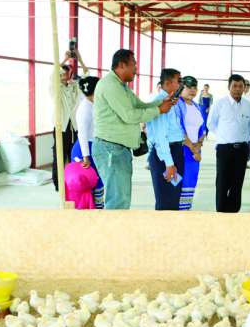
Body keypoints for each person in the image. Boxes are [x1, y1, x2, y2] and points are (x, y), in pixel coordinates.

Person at [93, 49, 173, 209]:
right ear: (122, 65)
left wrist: (161, 103)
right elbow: (129, 115)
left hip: (118, 149)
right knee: (118, 201)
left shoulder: (121, 86)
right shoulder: (111, 86)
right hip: (111, 149)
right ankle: (114, 226)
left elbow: (139, 105)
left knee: (121, 198)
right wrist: (159, 110)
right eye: (133, 64)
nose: (136, 69)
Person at [208, 74, 250, 212]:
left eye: (241, 86)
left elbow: (249, 127)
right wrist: (223, 135)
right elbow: (210, 124)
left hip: (241, 150)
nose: (238, 89)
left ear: (244, 88)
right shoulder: (220, 103)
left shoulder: (248, 106)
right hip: (224, 149)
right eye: (234, 86)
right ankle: (221, 211)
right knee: (222, 182)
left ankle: (234, 212)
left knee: (237, 183)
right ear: (229, 87)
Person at [146, 68, 185, 211]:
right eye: (178, 81)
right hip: (165, 155)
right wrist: (169, 164)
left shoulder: (171, 100)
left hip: (174, 151)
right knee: (165, 200)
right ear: (168, 83)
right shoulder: (161, 102)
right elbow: (160, 136)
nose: (181, 84)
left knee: (173, 197)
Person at [70, 76, 103, 208]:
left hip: (93, 147)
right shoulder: (85, 108)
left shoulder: (93, 104)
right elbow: (82, 134)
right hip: (84, 150)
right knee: (89, 183)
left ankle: (97, 208)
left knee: (98, 181)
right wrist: (86, 157)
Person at [175, 76, 206, 211]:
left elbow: (202, 129)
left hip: (194, 152)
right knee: (177, 183)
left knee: (190, 181)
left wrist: (198, 146)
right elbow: (178, 129)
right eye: (189, 87)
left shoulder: (196, 106)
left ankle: (185, 212)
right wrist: (193, 149)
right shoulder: (176, 104)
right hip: (181, 150)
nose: (192, 90)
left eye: (195, 87)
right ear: (181, 87)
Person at [51, 63, 81, 192]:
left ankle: (73, 181)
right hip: (61, 127)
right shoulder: (55, 89)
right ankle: (58, 184)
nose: (64, 75)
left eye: (66, 73)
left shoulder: (73, 87)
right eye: (62, 73)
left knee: (74, 155)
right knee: (59, 155)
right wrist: (62, 61)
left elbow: (85, 76)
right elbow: (53, 76)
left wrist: (80, 59)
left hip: (73, 126)